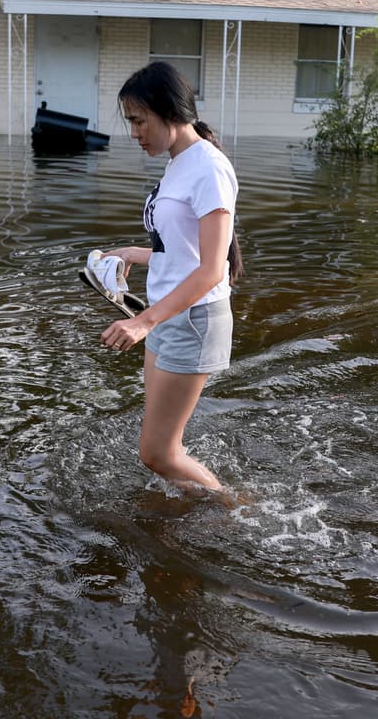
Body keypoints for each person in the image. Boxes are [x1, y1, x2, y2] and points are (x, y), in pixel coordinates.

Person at [101, 62, 243, 493]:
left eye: (139, 120)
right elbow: (182, 252)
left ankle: (235, 507)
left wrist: (142, 321)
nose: (134, 132)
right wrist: (133, 254)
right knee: (161, 447)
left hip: (192, 319)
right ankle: (185, 504)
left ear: (169, 112)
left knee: (158, 453)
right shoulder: (179, 162)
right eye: (131, 122)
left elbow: (210, 270)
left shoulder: (208, 168)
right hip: (167, 317)